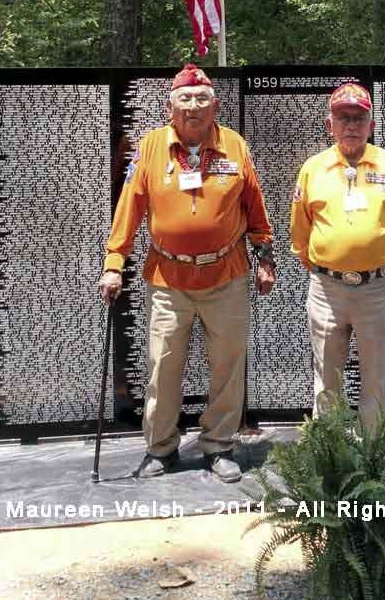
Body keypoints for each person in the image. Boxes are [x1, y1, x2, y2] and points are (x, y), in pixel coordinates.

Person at [99, 64, 275, 483]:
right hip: (169, 279)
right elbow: (130, 208)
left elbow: (255, 207)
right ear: (170, 107)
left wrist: (265, 258)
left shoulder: (235, 146)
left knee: (227, 366)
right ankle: (160, 448)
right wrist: (113, 263)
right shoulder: (151, 147)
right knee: (163, 366)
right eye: (185, 99)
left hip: (226, 276)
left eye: (201, 99)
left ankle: (220, 446)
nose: (193, 107)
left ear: (215, 106)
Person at [290, 82, 385, 431]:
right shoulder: (312, 169)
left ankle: (373, 455)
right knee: (326, 377)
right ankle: (330, 456)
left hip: (377, 290)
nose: (351, 125)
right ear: (329, 123)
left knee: (375, 376)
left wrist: (381, 265)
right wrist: (326, 267)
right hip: (326, 289)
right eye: (343, 117)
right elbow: (299, 233)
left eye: (359, 118)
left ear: (371, 125)